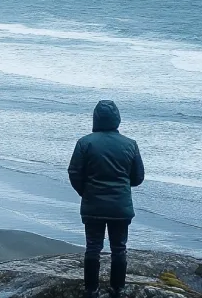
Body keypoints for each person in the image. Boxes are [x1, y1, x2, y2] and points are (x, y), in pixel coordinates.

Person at [68, 100, 145, 298]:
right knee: (119, 248)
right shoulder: (130, 144)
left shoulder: (85, 143)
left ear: (95, 118)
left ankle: (91, 290)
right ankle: (117, 289)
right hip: (120, 206)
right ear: (117, 119)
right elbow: (138, 178)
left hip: (93, 205)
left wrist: (85, 192)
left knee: (93, 247)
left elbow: (74, 172)